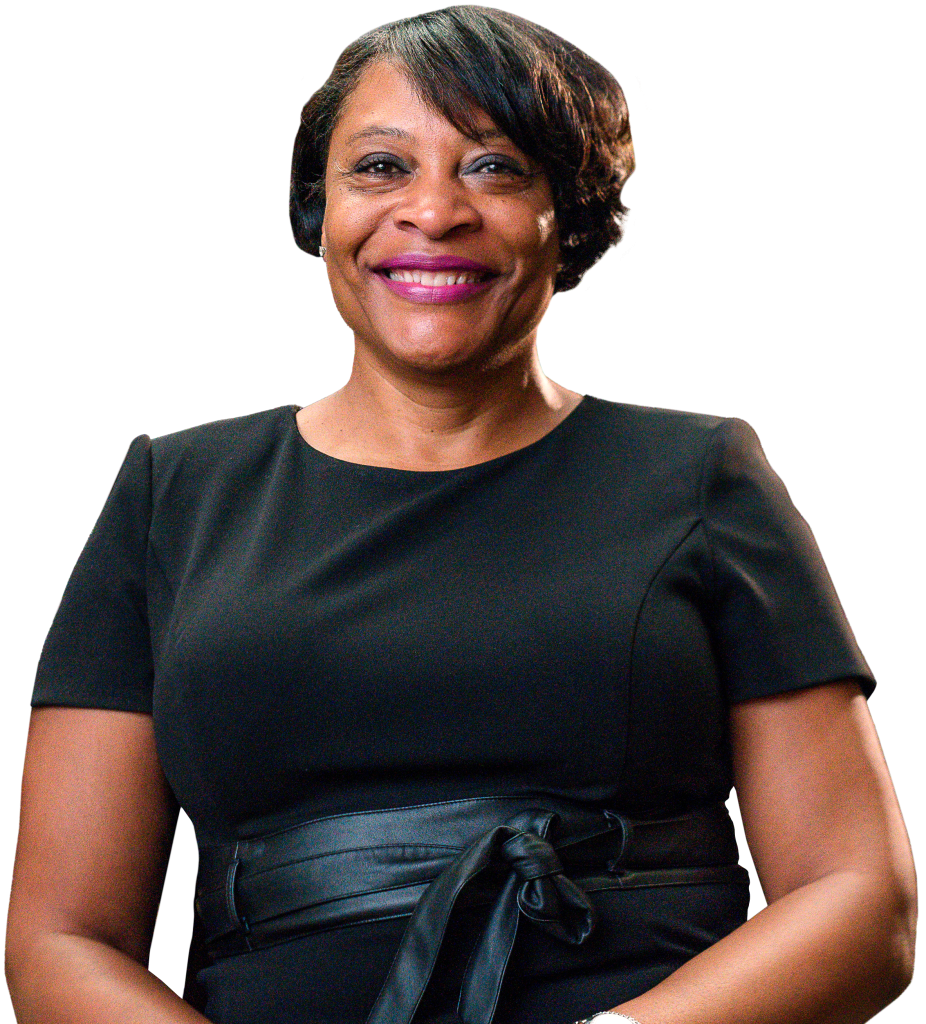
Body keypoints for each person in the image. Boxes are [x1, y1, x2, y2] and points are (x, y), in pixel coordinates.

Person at [6, 6, 916, 1024]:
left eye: (492, 167)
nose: (433, 212)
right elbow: (60, 943)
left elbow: (859, 905)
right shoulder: (171, 491)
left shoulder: (699, 476)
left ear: (568, 218)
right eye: (380, 168)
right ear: (314, 214)